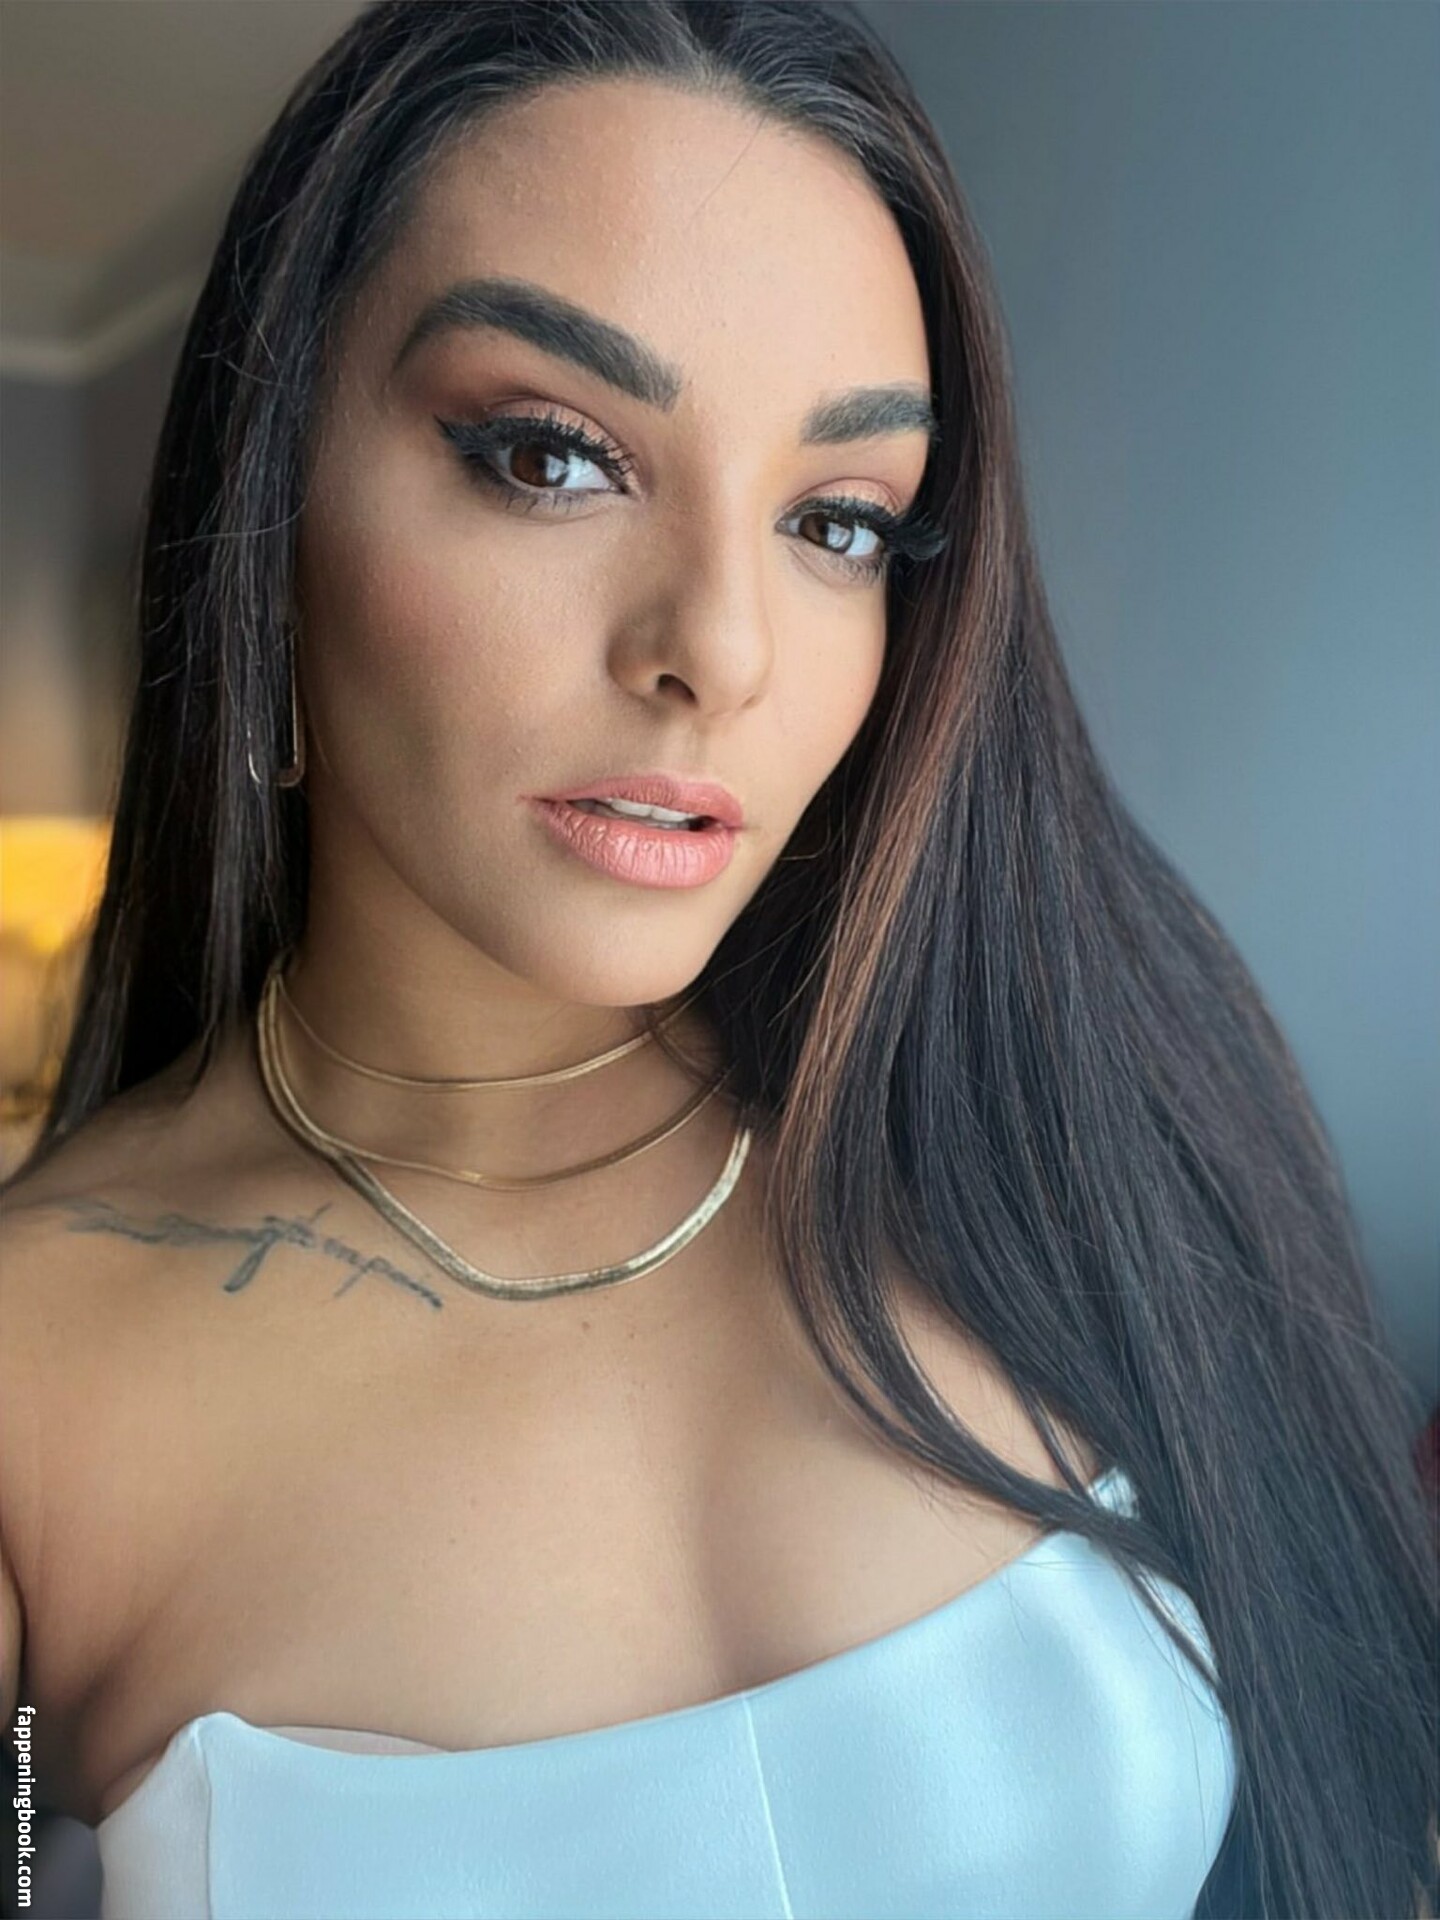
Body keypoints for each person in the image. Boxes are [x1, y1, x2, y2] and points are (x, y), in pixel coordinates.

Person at [0, 3, 1433, 1917]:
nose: (722, 652)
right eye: (551, 458)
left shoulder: (1084, 1123)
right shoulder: (37, 1373)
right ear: (270, 511)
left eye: (838, 521)